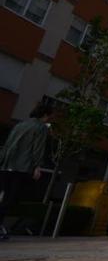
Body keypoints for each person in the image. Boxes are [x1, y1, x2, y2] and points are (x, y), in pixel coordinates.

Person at [0, 102, 53, 240]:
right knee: (11, 198)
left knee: (5, 196)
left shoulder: (20, 125)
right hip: (22, 167)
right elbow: (38, 148)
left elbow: (8, 144)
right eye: (49, 117)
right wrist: (37, 166)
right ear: (45, 115)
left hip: (7, 165)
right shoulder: (41, 128)